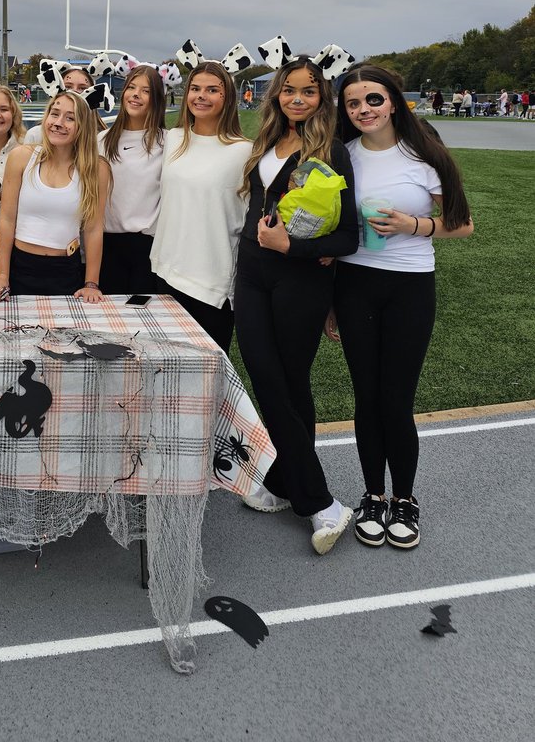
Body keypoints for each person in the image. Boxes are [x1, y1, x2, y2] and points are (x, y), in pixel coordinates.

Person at [331, 65, 474, 550]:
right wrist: (330, 300)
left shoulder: (424, 156)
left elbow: (462, 224)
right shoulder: (342, 156)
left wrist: (414, 226)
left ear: (393, 102)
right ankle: (373, 496)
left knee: (396, 399)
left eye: (373, 99)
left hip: (410, 286)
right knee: (366, 398)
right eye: (353, 103)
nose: (364, 109)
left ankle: (405, 500)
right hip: (353, 285)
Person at [234, 55, 358, 555]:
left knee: (279, 383)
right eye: (289, 90)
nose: (298, 99)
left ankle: (322, 504)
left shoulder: (331, 151)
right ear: (276, 95)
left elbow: (348, 235)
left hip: (301, 280)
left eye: (308, 91)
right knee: (276, 381)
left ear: (321, 97)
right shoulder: (267, 140)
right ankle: (287, 480)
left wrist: (294, 249)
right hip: (253, 274)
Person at [151, 61, 250, 349]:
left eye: (212, 90)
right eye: (195, 88)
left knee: (207, 375)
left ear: (227, 97)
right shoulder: (173, 138)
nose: (201, 96)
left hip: (212, 282)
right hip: (166, 270)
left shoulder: (244, 150)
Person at [0, 90, 109, 302]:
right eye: (54, 114)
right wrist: (2, 275)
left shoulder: (96, 168)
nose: (58, 123)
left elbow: (94, 228)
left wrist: (91, 284)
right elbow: (6, 219)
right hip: (21, 268)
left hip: (66, 270)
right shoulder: (22, 157)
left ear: (83, 126)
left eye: (70, 118)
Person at [99, 64, 166, 294]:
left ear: (156, 99)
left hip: (147, 249)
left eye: (146, 91)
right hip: (106, 246)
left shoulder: (167, 142)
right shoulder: (102, 140)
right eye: (132, 87)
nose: (136, 94)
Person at [22, 65, 100, 142]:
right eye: (68, 87)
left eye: (82, 88)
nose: (74, 92)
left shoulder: (101, 139)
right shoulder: (36, 136)